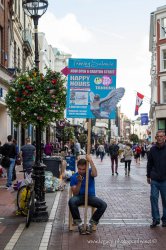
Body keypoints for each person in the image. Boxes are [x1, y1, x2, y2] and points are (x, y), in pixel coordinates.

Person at [68, 155, 107, 234]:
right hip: (79, 197)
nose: (81, 171)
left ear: (86, 167)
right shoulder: (74, 177)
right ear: (77, 167)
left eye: (83, 169)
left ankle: (91, 224)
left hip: (90, 197)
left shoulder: (89, 172)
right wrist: (79, 182)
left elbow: (95, 174)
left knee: (103, 205)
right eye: (79, 169)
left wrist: (91, 161)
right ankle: (79, 224)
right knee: (71, 201)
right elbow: (75, 193)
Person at [147, 130, 166, 228]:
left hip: (165, 179)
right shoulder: (152, 150)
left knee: (165, 200)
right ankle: (155, 219)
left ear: (165, 137)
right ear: (155, 138)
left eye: (161, 136)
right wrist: (148, 175)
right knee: (153, 199)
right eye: (158, 136)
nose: (159, 138)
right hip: (154, 179)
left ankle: (165, 220)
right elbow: (149, 163)